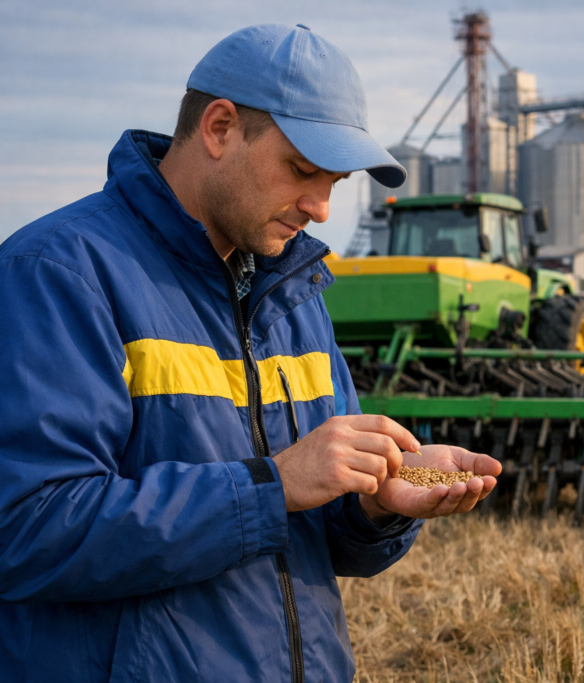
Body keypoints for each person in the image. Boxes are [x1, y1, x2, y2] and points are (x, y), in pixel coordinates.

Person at [0, 24, 500, 683]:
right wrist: (271, 484)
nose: (321, 208)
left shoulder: (294, 294)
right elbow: (29, 529)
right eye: (301, 171)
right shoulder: (59, 273)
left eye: (335, 181)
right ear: (219, 128)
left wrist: (379, 502)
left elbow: (311, 527)